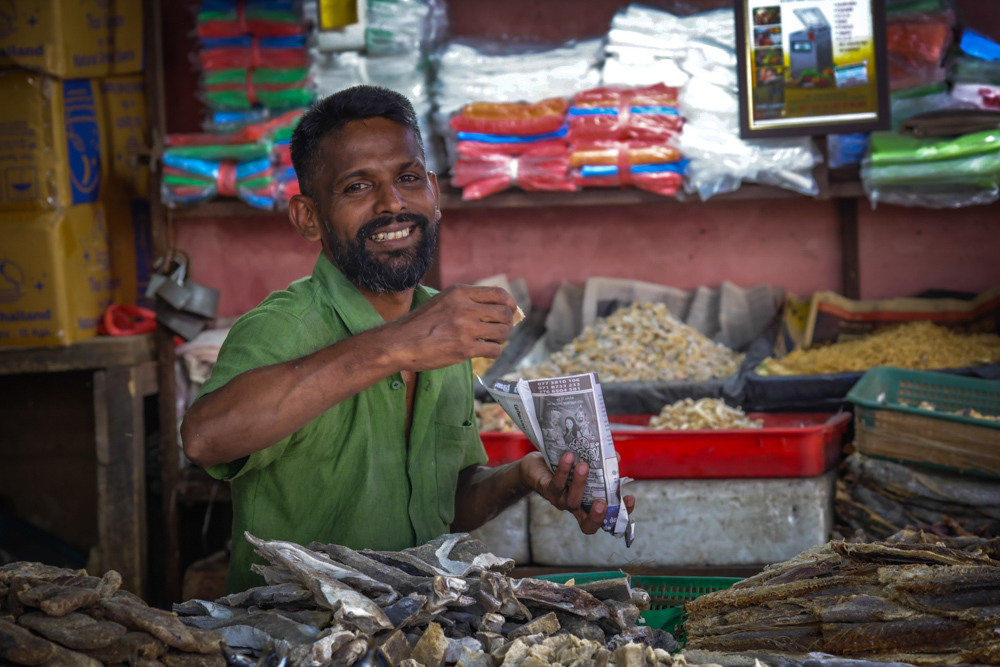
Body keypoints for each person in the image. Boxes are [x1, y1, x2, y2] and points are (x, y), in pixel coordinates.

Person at [181, 85, 635, 593]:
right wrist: (394, 345)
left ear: (435, 195)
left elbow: (439, 502)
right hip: (297, 636)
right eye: (356, 187)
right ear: (308, 217)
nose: (392, 204)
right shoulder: (285, 327)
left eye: (408, 178)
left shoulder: (442, 328)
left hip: (414, 631)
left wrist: (521, 477)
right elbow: (205, 438)